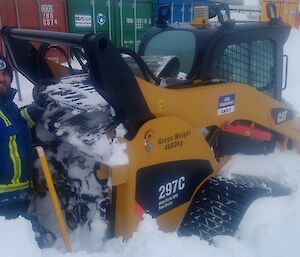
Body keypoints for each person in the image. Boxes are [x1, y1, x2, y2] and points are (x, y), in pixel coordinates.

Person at [0, 53, 54, 247]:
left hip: (19, 196)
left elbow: (20, 123)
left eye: (5, 74)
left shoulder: (8, 106)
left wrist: (38, 107)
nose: (1, 79)